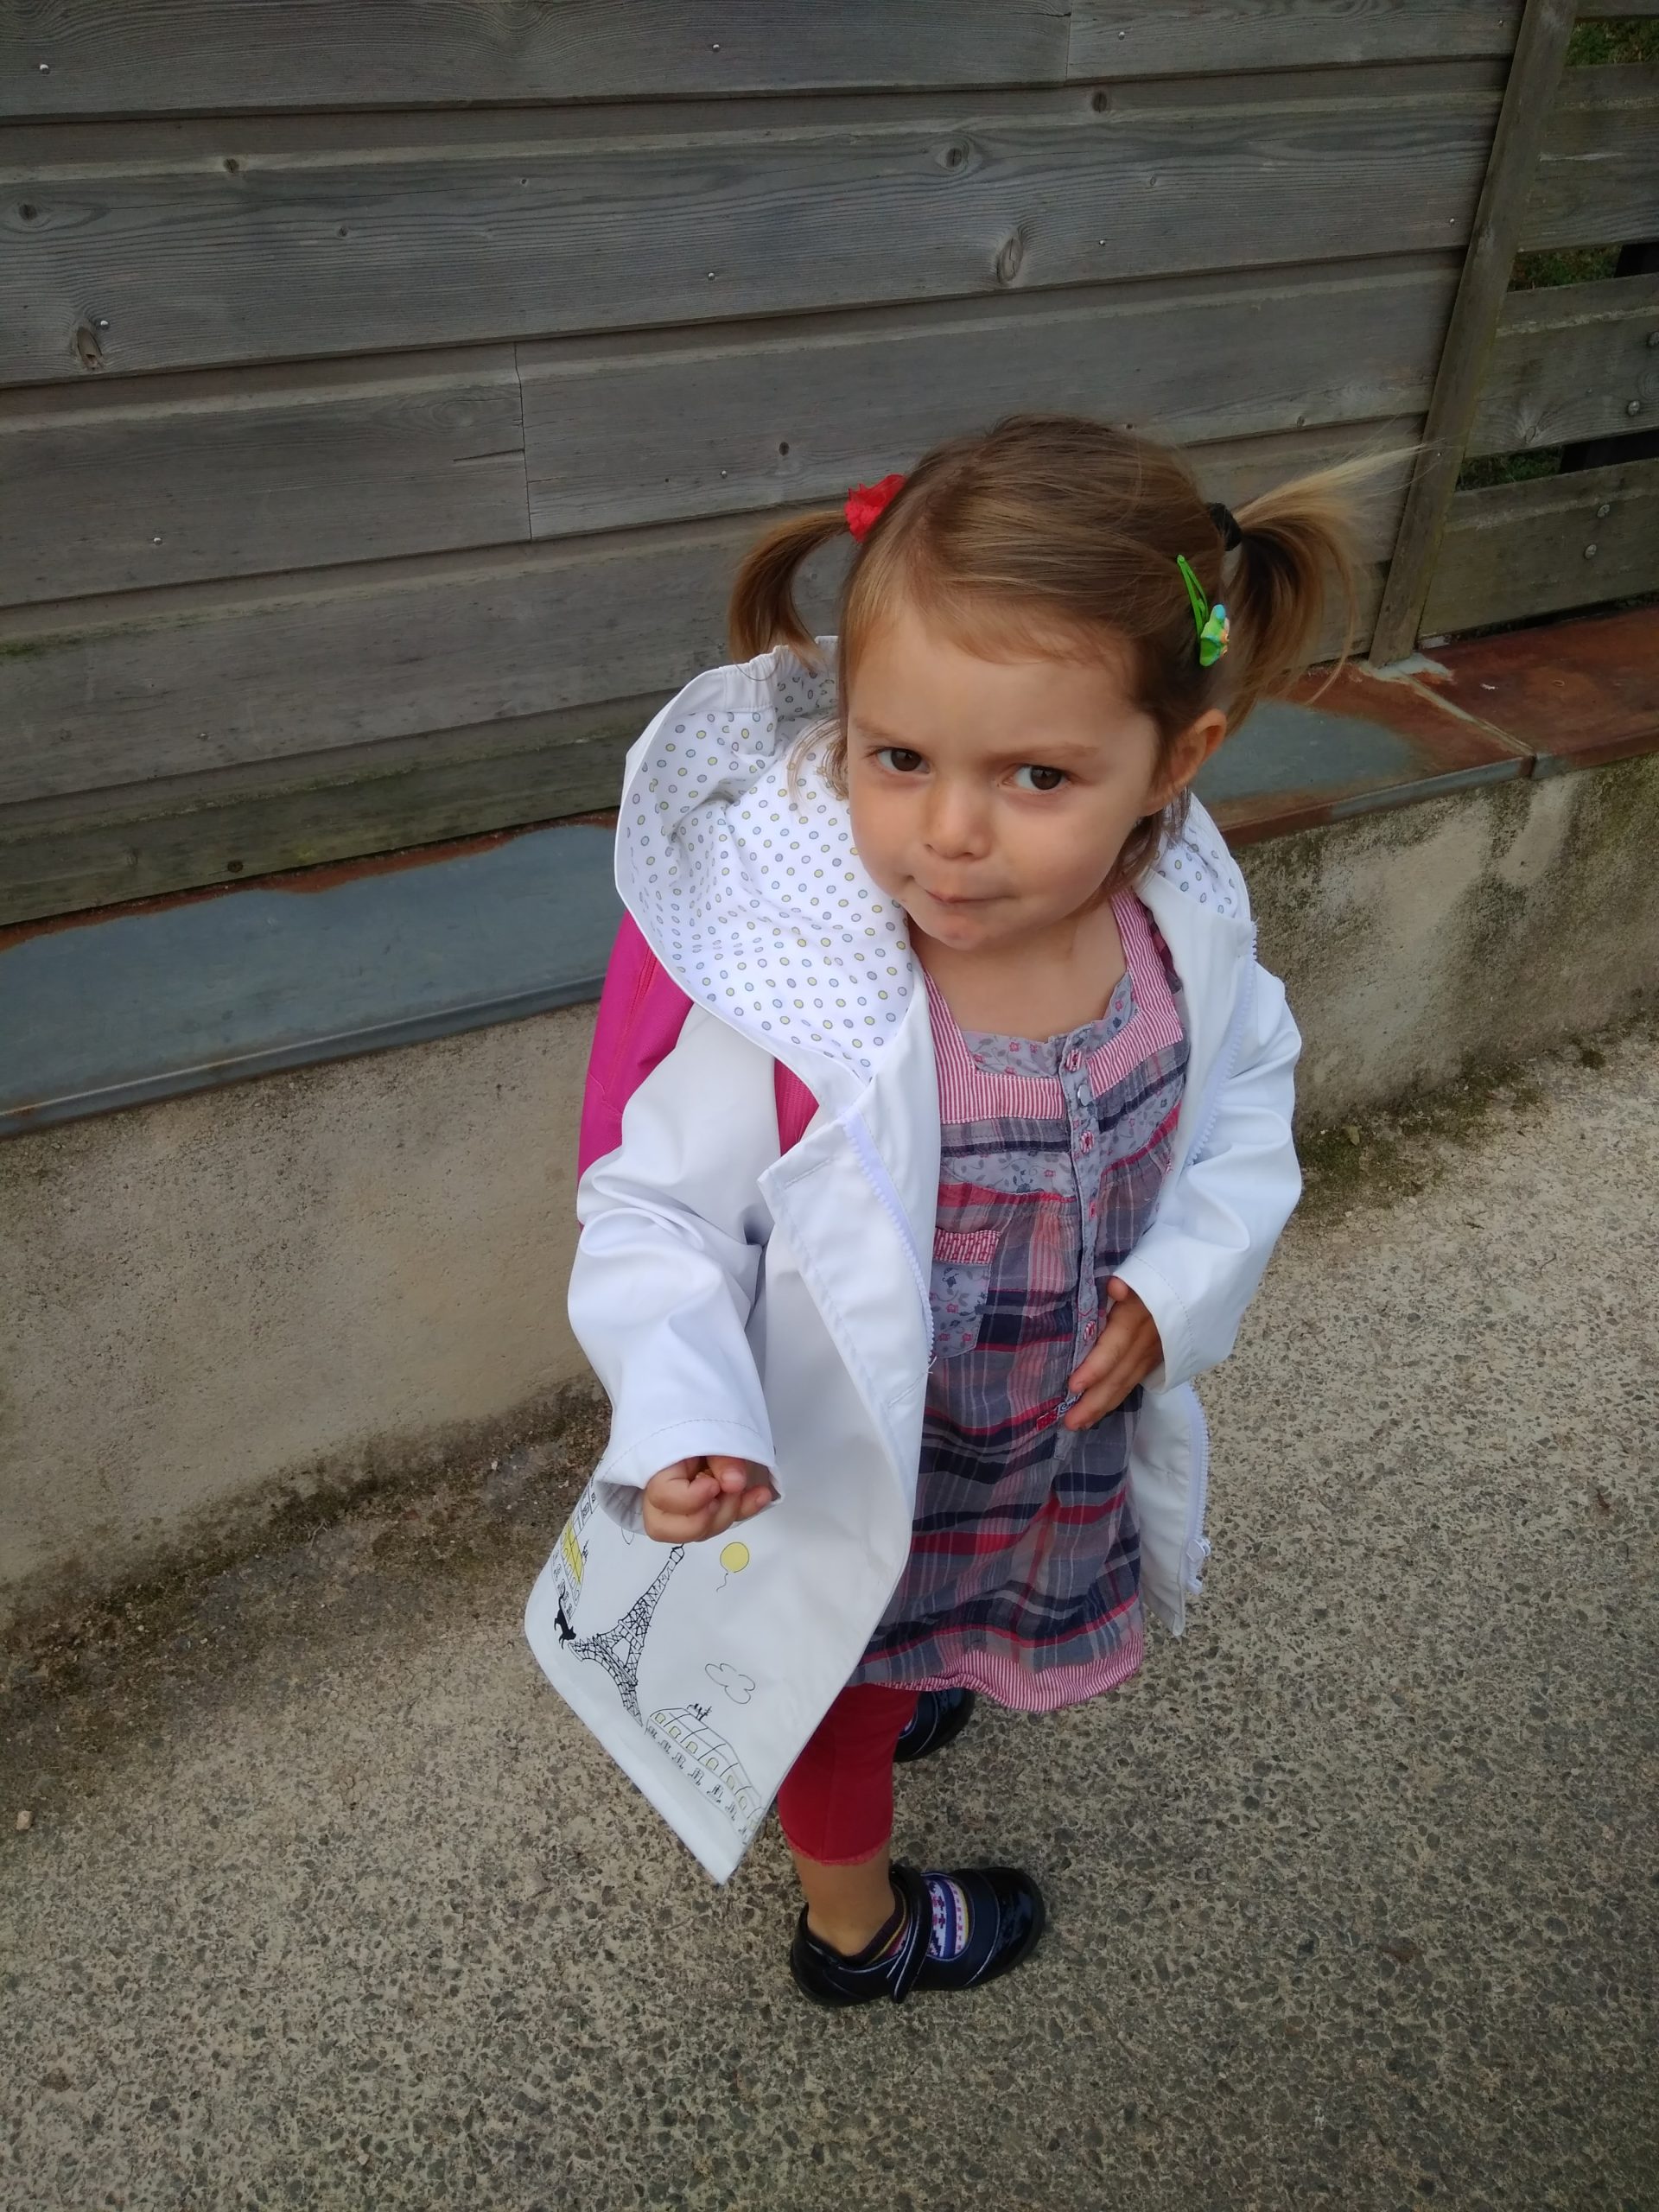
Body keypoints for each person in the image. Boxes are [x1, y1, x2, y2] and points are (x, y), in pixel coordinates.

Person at [561, 414, 1363, 2005]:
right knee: (835, 1699)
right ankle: (857, 1933)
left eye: (1037, 776)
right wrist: (686, 1412)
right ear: (846, 727)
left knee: (914, 1652)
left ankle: (936, 1664)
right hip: (846, 1471)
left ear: (1176, 762)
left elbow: (1246, 1106)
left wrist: (1179, 1286)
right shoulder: (804, 999)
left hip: (1031, 1453)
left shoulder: (1180, 931)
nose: (949, 833)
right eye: (900, 759)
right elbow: (657, 1213)